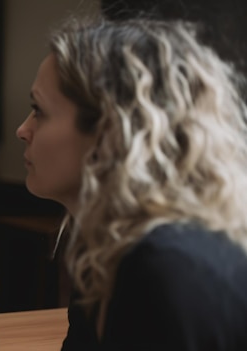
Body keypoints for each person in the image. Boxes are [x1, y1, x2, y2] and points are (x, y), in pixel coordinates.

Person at [16, 16, 247, 350]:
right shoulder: (107, 248)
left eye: (39, 109)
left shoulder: (164, 268)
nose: (22, 130)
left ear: (111, 132)